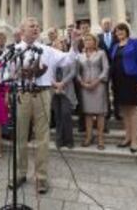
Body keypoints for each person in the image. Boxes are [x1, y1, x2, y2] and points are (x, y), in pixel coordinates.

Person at [12, 17, 81, 194]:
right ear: (22, 31)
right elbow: (6, 73)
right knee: (21, 135)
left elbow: (68, 60)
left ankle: (41, 177)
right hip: (22, 94)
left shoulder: (47, 50)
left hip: (43, 94)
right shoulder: (13, 51)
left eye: (37, 26)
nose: (36, 28)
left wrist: (74, 44)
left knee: (42, 137)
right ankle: (20, 173)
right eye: (31, 26)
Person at [111, 23, 137, 153]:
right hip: (118, 81)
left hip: (131, 79)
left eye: (121, 30)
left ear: (126, 31)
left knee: (132, 109)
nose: (119, 33)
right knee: (124, 110)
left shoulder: (135, 43)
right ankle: (127, 137)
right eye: (117, 31)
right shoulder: (114, 47)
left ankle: (135, 140)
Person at [77, 34, 109, 150]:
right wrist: (82, 83)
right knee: (88, 113)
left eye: (89, 39)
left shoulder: (101, 53)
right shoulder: (79, 56)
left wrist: (97, 81)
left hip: (98, 85)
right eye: (85, 39)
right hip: (85, 87)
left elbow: (106, 69)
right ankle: (88, 137)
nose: (87, 41)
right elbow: (77, 72)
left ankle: (100, 139)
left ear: (95, 42)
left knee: (100, 113)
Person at [51, 38, 77, 149]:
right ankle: (59, 140)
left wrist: (62, 83)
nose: (58, 45)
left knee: (66, 114)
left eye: (60, 43)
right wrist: (55, 84)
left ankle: (69, 140)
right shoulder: (50, 59)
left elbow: (73, 72)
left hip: (66, 90)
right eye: (55, 44)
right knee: (58, 116)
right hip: (54, 91)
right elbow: (47, 73)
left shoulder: (68, 56)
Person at [97, 17, 120, 131]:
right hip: (103, 69)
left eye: (108, 24)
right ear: (101, 26)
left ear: (111, 25)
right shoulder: (98, 38)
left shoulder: (117, 36)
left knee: (117, 90)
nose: (106, 25)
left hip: (116, 68)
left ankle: (118, 111)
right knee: (104, 91)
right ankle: (107, 112)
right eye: (104, 24)